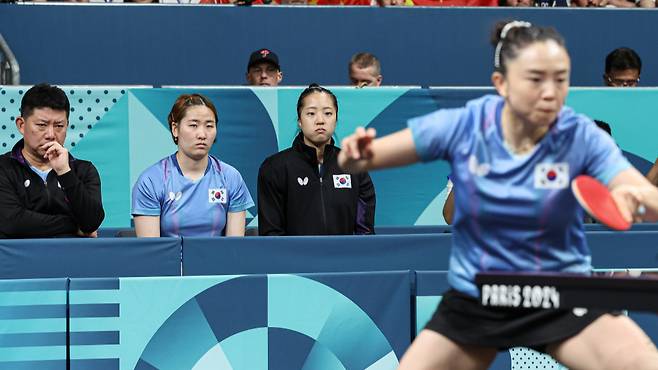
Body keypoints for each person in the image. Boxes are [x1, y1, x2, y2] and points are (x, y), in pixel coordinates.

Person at [339, 21, 658, 369]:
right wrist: (358, 152)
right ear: (501, 84)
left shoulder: (580, 135)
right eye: (535, 79)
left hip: (558, 293)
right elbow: (371, 153)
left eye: (560, 78)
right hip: (479, 301)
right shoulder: (466, 126)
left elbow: (638, 190)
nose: (550, 92)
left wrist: (635, 197)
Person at [258, 84, 376, 236]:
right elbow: (271, 233)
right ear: (299, 121)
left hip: (344, 257)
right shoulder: (274, 168)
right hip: (294, 258)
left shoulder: (354, 166)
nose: (320, 120)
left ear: (336, 119)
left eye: (328, 113)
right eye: (311, 113)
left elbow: (365, 232)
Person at [132, 94, 254, 237]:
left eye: (209, 126)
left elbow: (234, 248)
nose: (202, 134)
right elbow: (152, 252)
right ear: (175, 129)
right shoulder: (151, 181)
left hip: (218, 259)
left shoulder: (231, 178)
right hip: (170, 259)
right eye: (193, 125)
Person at [0, 83, 104, 238]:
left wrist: (64, 172)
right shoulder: (3, 168)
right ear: (21, 125)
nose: (51, 134)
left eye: (59, 126)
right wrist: (74, 226)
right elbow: (12, 222)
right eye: (42, 125)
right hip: (18, 260)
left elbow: (91, 222)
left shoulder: (84, 170)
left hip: (73, 259)